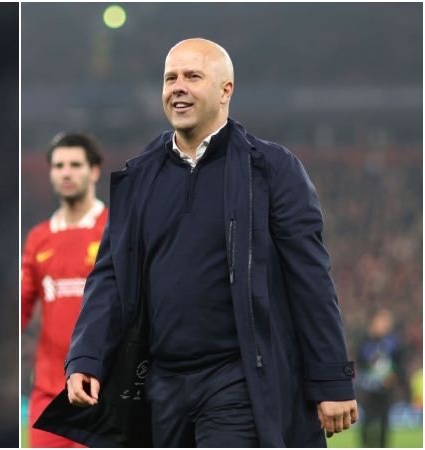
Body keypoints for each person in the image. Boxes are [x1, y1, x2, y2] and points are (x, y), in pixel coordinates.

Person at [63, 38, 358, 447]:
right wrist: (87, 355)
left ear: (225, 90)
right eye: (170, 78)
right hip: (159, 382)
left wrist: (330, 377)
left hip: (238, 377)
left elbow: (310, 278)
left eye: (192, 77)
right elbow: (110, 275)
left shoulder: (271, 170)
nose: (177, 87)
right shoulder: (138, 178)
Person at [22, 133, 107, 447]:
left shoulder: (115, 230)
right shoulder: (38, 238)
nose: (66, 172)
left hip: (102, 389)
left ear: (94, 171)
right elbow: (20, 306)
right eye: (59, 166)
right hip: (48, 393)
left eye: (75, 164)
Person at [356, 308, 406, 447]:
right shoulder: (364, 340)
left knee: (384, 423)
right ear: (374, 321)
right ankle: (365, 446)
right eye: (382, 320)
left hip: (386, 389)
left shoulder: (395, 342)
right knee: (367, 422)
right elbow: (360, 361)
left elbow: (400, 364)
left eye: (387, 321)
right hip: (368, 389)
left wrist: (393, 377)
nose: (385, 324)